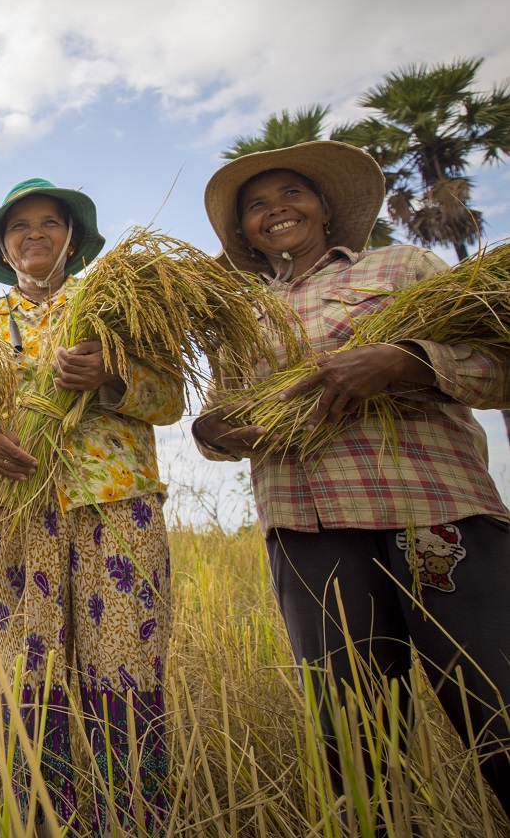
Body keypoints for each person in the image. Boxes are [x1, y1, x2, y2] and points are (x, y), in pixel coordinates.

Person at [191, 140, 510, 822]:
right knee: (353, 743)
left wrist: (404, 360)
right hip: (308, 530)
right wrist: (212, 433)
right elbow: (225, 411)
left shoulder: (403, 267)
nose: (275, 210)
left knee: (498, 704)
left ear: (327, 209)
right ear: (244, 232)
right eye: (256, 206)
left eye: (291, 195)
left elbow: (494, 365)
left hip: (433, 508)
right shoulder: (240, 317)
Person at [0, 178, 180, 835]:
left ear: (73, 240)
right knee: (29, 677)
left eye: (50, 222)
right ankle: (39, 823)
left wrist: (113, 378)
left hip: (114, 504)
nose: (35, 233)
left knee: (125, 673)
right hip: (19, 512)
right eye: (20, 226)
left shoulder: (118, 309)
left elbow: (168, 399)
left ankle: (133, 823)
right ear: (4, 249)